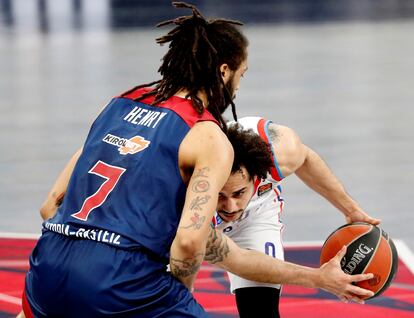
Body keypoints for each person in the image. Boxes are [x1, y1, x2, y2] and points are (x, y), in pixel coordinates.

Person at [22, 2, 249, 317]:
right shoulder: (209, 137)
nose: (237, 87)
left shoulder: (118, 104)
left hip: (46, 266)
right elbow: (186, 244)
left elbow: (51, 204)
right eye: (241, 74)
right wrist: (177, 297)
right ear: (224, 71)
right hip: (117, 279)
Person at [213, 119, 381, 317]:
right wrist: (319, 278)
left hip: (256, 214)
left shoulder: (279, 153)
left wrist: (350, 209)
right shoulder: (182, 202)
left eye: (239, 193)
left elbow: (305, 158)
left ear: (256, 175)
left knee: (260, 309)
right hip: (202, 218)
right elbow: (238, 261)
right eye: (221, 195)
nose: (231, 206)